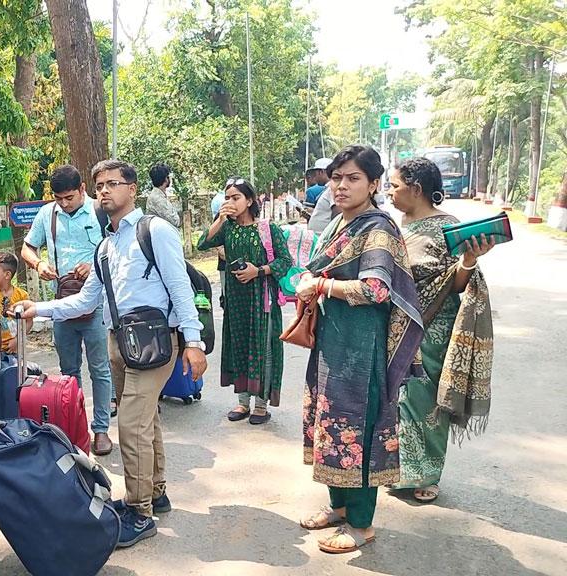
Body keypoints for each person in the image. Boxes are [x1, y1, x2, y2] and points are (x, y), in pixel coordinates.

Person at [17, 159, 209, 550]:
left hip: (157, 341)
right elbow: (85, 300)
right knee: (148, 420)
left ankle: (139, 512)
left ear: (132, 189)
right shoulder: (105, 247)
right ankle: (156, 492)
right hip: (120, 342)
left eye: (113, 184)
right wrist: (38, 309)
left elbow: (179, 287)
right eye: (100, 184)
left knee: (132, 426)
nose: (105, 191)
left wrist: (193, 342)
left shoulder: (154, 231)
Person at [293, 145, 424, 554]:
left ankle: (362, 524)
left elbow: (375, 289)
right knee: (328, 425)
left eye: (352, 178)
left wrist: (321, 286)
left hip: (362, 349)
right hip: (333, 343)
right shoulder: (339, 223)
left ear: (373, 184)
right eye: (337, 177)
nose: (342, 186)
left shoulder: (378, 229)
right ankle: (339, 507)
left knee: (357, 430)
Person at [386, 157, 495, 503]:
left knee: (426, 399)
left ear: (416, 189)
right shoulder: (394, 225)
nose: (389, 192)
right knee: (395, 400)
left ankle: (428, 473)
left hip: (432, 327)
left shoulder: (448, 228)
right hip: (393, 325)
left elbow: (458, 284)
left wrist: (469, 260)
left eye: (395, 186)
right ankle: (397, 468)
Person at [20, 164, 115, 456]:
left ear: (83, 190)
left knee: (99, 370)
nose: (64, 203)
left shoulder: (101, 211)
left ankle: (100, 430)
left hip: (96, 306)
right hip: (61, 306)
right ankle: (74, 430)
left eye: (70, 197)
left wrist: (96, 264)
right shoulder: (47, 214)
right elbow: (27, 248)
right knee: (69, 373)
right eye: (59, 198)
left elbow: (118, 248)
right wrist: (39, 264)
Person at [197, 178, 291, 424]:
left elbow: (285, 261)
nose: (231, 202)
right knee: (239, 347)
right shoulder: (227, 228)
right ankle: (242, 402)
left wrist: (258, 271)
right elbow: (202, 243)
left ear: (249, 201)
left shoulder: (268, 229)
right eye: (227, 197)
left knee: (262, 348)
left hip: (262, 300)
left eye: (236, 197)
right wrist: (219, 218)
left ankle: (261, 405)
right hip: (236, 302)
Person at [0, 250, 32, 355]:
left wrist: (18, 340)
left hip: (14, 348)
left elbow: (28, 322)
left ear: (7, 274)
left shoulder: (22, 296)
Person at [146, 162, 180, 227]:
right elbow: (175, 221)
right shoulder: (157, 198)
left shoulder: (160, 195)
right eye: (169, 176)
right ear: (166, 179)